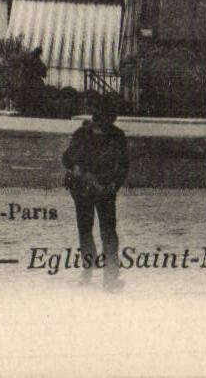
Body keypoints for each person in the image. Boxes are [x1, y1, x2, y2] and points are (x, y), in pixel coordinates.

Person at [62, 95, 129, 288]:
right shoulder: (83, 134)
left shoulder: (116, 135)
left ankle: (107, 276)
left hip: (104, 190)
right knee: (92, 231)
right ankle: (94, 272)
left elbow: (123, 165)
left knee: (103, 232)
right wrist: (76, 168)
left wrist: (114, 185)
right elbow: (67, 158)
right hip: (85, 189)